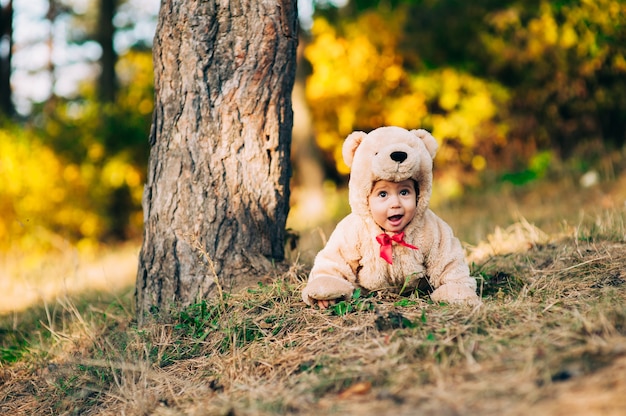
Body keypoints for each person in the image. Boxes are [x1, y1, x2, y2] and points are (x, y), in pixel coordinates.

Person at [301, 126, 480, 308]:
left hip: (416, 294)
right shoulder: (354, 229)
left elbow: (448, 260)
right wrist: (328, 286)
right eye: (383, 195)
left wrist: (455, 286)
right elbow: (333, 261)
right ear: (366, 198)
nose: (395, 203)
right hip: (369, 297)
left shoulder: (430, 228)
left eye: (404, 192)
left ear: (419, 195)